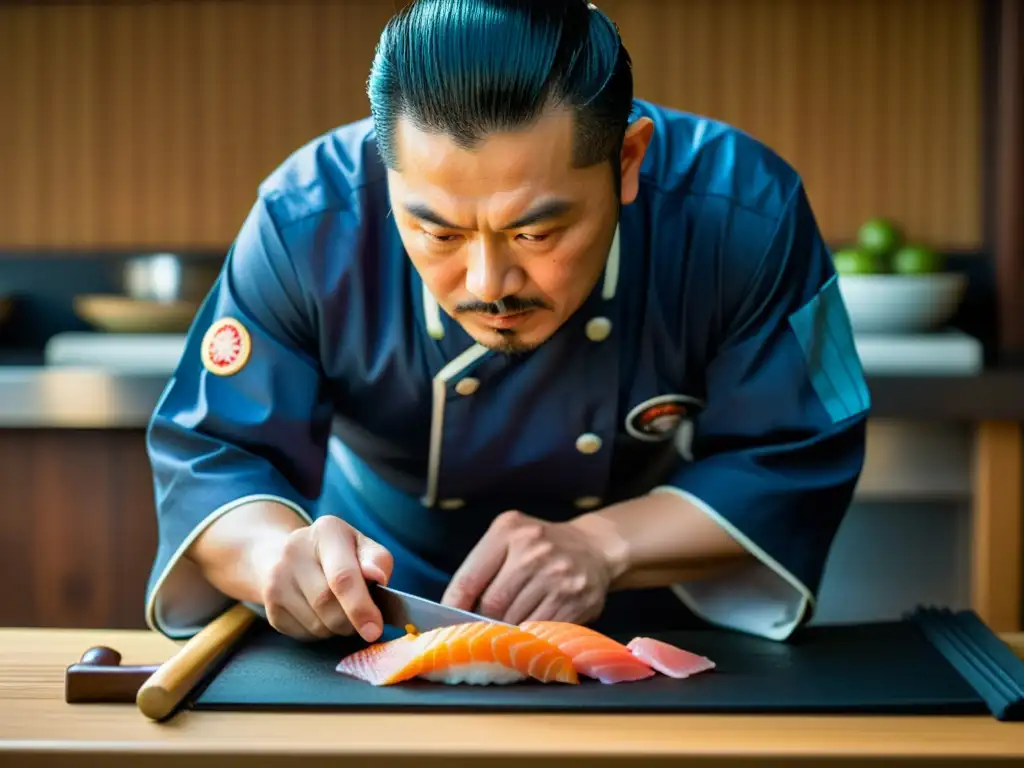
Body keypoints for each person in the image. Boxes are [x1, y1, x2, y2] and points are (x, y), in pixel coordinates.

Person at [143, 0, 870, 646]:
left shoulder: (742, 211)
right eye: (440, 234)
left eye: (536, 233)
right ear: (384, 174)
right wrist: (280, 557)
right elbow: (211, 457)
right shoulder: (306, 218)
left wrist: (605, 546)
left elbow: (794, 454)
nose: (490, 286)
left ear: (627, 159)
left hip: (642, 611)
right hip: (374, 609)